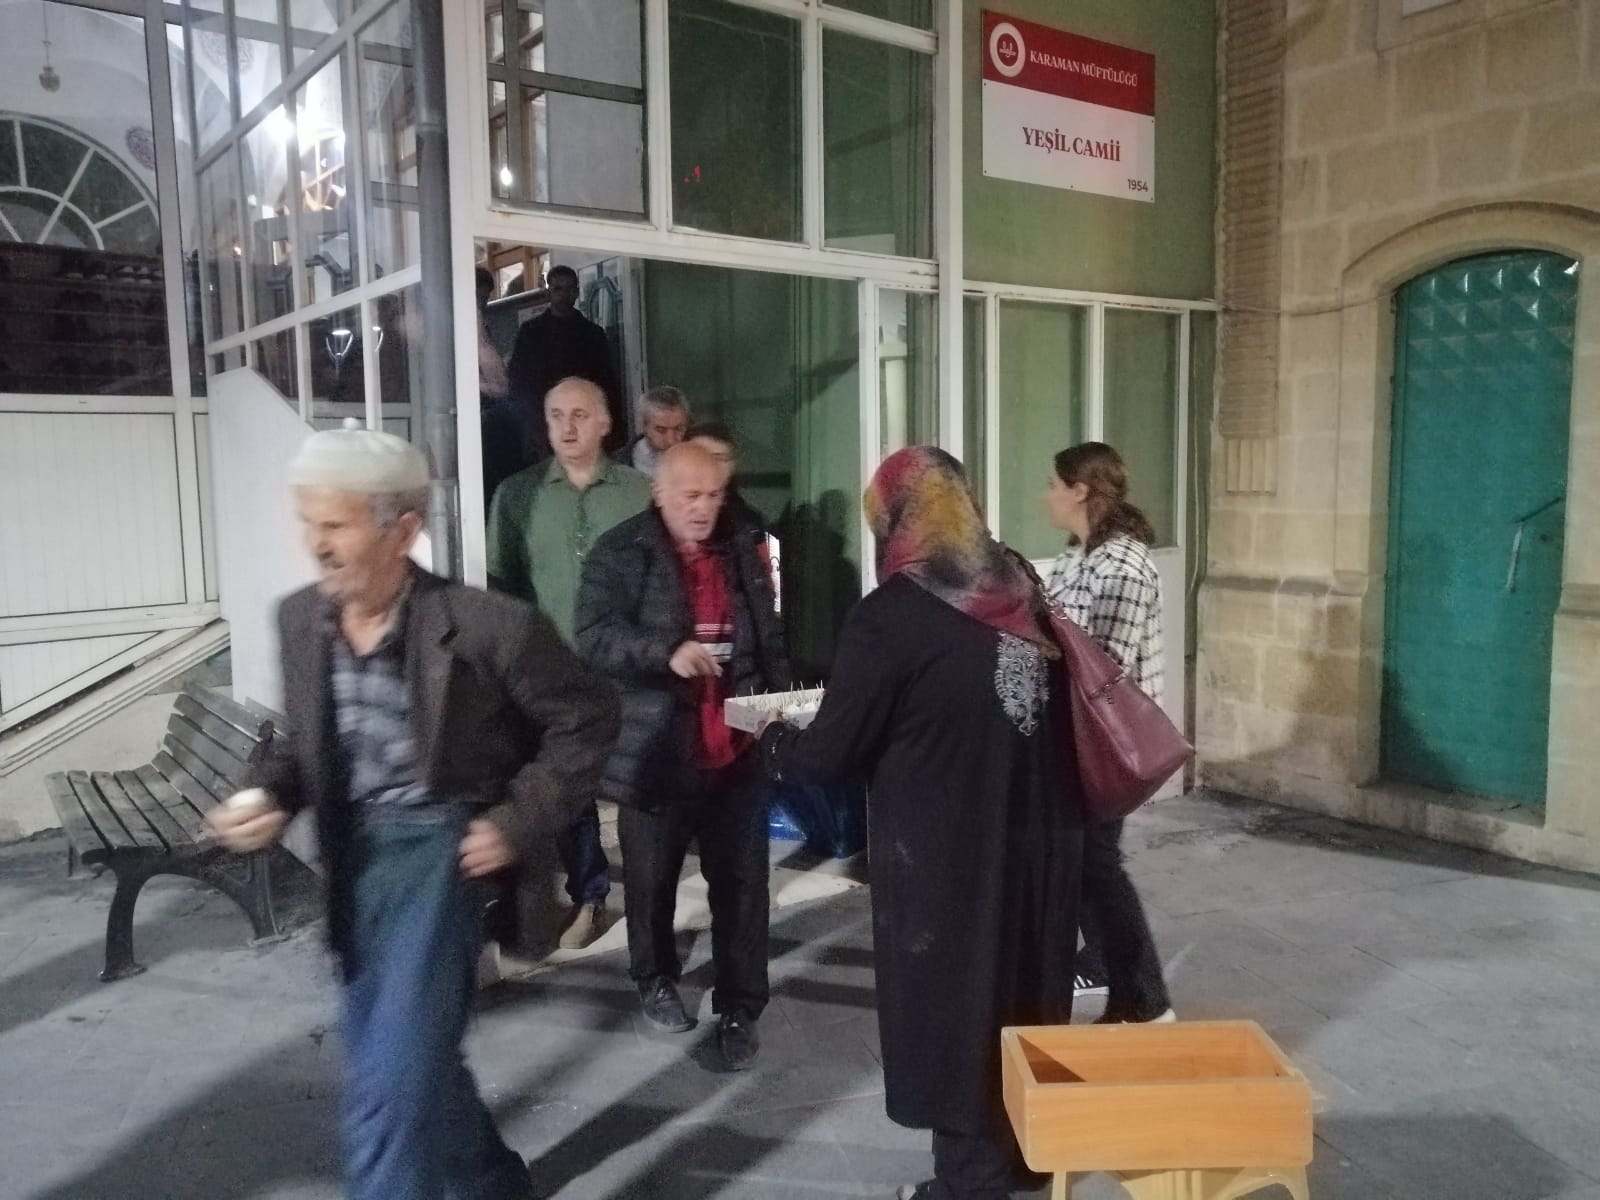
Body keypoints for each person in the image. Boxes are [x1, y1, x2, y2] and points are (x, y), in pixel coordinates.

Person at [205, 421, 619, 1200]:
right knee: (407, 1059)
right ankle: (494, 1183)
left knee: (390, 1090)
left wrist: (518, 819)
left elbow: (588, 717)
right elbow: (305, 743)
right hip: (352, 860)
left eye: (335, 525)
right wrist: (270, 795)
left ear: (402, 531)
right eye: (307, 522)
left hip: (439, 860)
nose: (316, 545)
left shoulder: (489, 626)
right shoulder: (301, 619)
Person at [760, 446, 1083, 1200]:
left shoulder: (892, 616)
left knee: (956, 1002)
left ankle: (970, 1183)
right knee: (1023, 984)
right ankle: (1029, 1154)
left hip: (946, 852)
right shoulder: (1018, 580)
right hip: (1040, 835)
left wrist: (773, 741)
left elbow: (831, 753)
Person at [574, 441, 789, 1070]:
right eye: (690, 495)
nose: (703, 508)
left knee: (744, 888)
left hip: (737, 749)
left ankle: (741, 1005)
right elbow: (592, 635)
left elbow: (769, 637)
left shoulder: (745, 546)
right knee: (650, 881)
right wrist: (664, 651)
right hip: (656, 750)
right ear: (659, 493)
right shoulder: (621, 550)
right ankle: (655, 978)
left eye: (713, 495)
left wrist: (780, 713)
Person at [487, 377, 652, 949]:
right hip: (552, 672)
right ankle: (591, 896)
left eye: (580, 414)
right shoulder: (518, 494)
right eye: (556, 414)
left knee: (638, 784)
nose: (567, 427)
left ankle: (649, 895)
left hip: (628, 667)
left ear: (605, 423)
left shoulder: (639, 493)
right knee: (570, 789)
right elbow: (503, 586)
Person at [1043, 440, 1175, 1025]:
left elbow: (1104, 669)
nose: (1046, 495)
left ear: (1080, 491)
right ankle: (1105, 969)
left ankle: (1145, 1000)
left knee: (1097, 863)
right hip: (1075, 737)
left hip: (1106, 743)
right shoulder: (1078, 554)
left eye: (1054, 484)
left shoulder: (1123, 565)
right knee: (1082, 861)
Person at [507, 265, 624, 460]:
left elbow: (606, 382)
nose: (564, 295)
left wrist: (612, 429)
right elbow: (518, 381)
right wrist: (527, 426)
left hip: (584, 420)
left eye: (569, 289)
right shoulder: (531, 333)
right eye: (558, 289)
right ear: (548, 293)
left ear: (577, 293)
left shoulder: (592, 334)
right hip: (541, 424)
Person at [477, 265, 525, 510]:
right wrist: (483, 385)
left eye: (486, 297)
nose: (483, 302)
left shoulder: (481, 322)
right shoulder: (470, 321)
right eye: (480, 296)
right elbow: (499, 385)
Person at [622, 385, 691, 477]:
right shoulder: (617, 465)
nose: (670, 440)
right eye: (661, 430)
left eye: (678, 429)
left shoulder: (701, 456)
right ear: (643, 425)